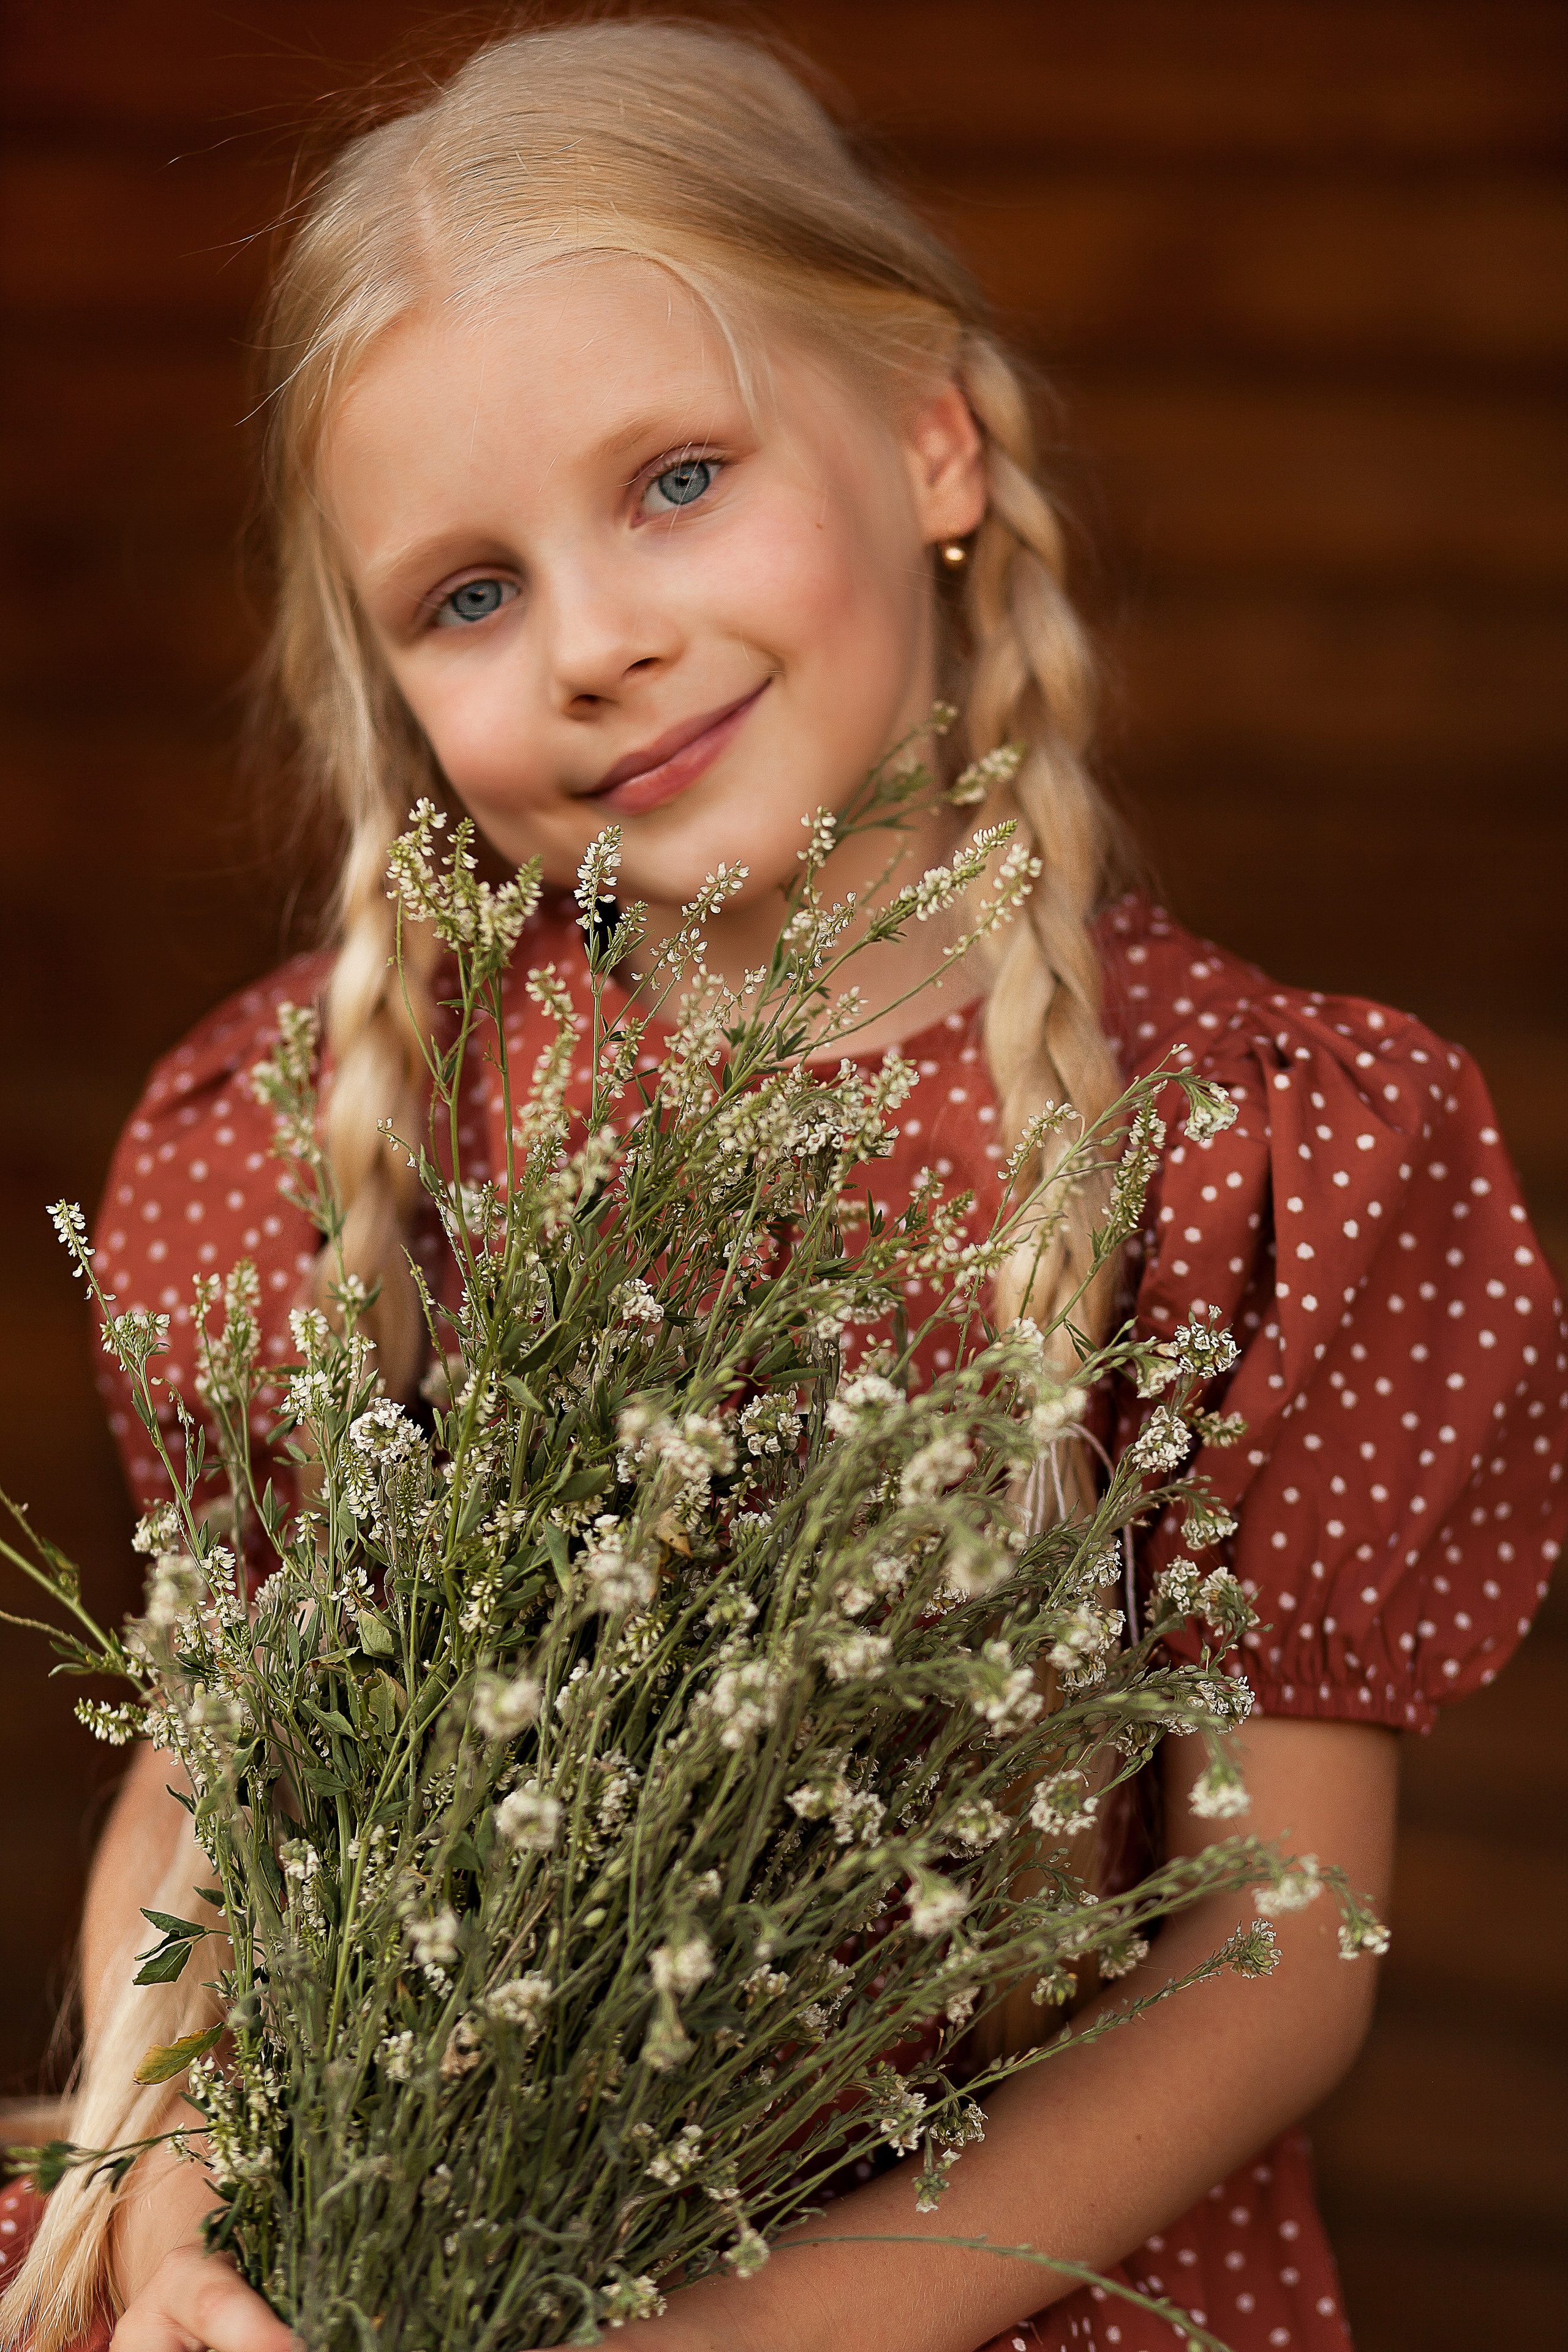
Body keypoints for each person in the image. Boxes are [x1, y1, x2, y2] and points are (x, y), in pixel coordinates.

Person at [3, 21, 1562, 2352]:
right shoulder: (328, 1161)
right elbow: (225, 1833)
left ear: (931, 434)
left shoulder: (1259, 1160)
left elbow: (1269, 1963)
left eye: (677, 482)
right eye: (468, 596)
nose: (602, 643)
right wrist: (182, 2227)